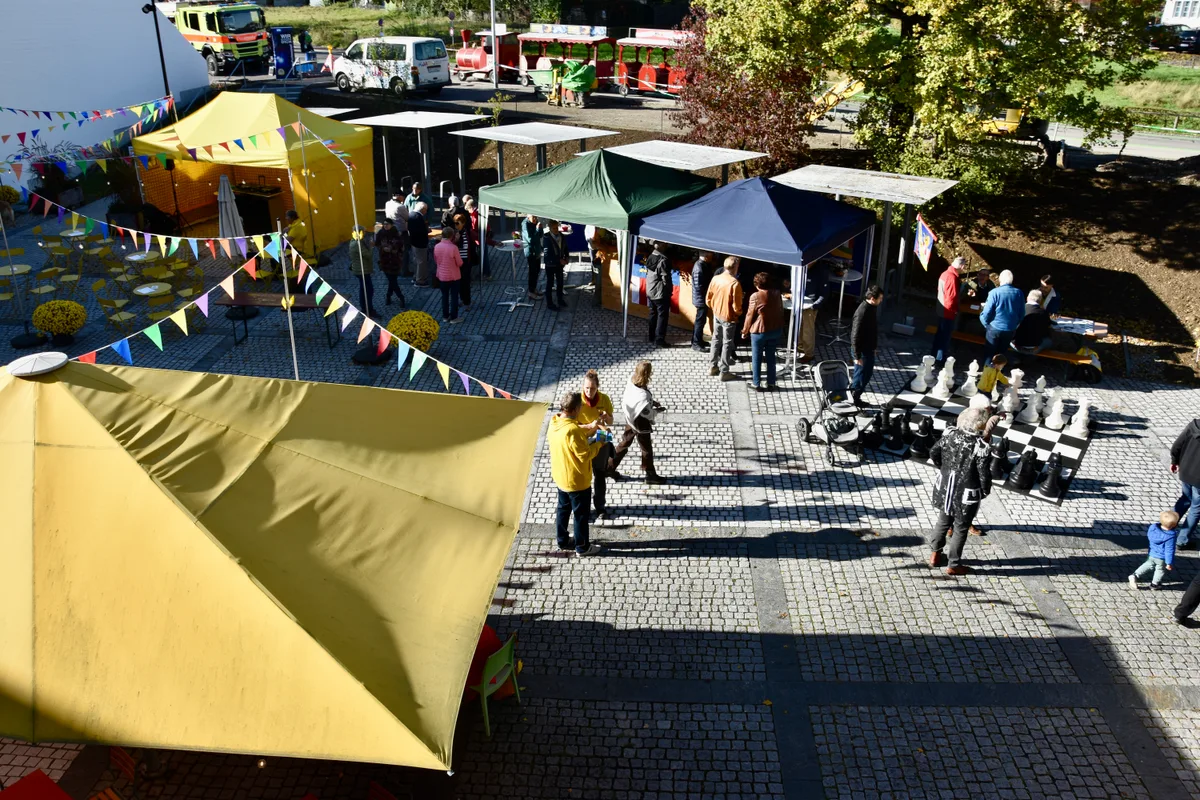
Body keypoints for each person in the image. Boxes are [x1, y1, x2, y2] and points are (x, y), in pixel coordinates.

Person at [927, 406, 993, 576]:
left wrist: (943, 468)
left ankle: (935, 554)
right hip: (967, 493)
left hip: (946, 487)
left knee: (942, 521)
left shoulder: (950, 435)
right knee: (961, 528)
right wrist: (985, 490)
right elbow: (983, 473)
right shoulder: (980, 446)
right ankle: (954, 564)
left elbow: (933, 452)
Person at [548, 391, 604, 557]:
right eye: (580, 406)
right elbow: (585, 454)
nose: (581, 408)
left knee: (563, 510)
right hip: (576, 480)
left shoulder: (555, 421)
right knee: (580, 515)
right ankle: (582, 547)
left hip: (560, 477)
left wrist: (587, 428)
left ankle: (563, 540)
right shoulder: (573, 432)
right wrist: (599, 443)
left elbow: (571, 429)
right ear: (574, 409)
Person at [613, 360, 665, 485]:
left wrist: (652, 402)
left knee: (624, 443)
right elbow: (648, 413)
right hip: (640, 423)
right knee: (646, 448)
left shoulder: (632, 380)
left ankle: (609, 467)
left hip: (630, 418)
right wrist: (656, 410)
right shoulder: (643, 397)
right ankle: (650, 473)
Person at [577, 369, 616, 521]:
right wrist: (588, 426)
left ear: (597, 387)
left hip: (600, 440)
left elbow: (611, 421)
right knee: (584, 476)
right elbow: (570, 425)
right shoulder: (577, 401)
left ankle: (600, 507)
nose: (589, 391)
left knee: (599, 474)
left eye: (592, 388)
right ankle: (584, 508)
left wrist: (608, 417)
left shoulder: (604, 399)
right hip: (583, 442)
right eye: (586, 388)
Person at [742, 271, 785, 391]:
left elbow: (749, 315)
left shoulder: (755, 296)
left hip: (759, 331)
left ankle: (757, 383)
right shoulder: (777, 293)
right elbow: (780, 310)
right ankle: (771, 383)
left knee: (757, 358)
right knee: (771, 357)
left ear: (757, 284)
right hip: (775, 329)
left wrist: (745, 331)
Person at [706, 256, 743, 382]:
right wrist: (738, 313)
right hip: (728, 316)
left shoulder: (716, 278)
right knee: (727, 343)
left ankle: (712, 366)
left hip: (717, 313)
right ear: (735, 267)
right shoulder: (734, 283)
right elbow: (737, 306)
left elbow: (708, 298)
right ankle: (724, 371)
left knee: (716, 339)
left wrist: (715, 308)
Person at [850, 285, 884, 405]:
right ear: (873, 299)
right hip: (862, 351)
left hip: (868, 349)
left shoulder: (871, 308)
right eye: (880, 298)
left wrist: (873, 347)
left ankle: (855, 397)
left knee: (866, 375)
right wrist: (857, 355)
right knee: (860, 377)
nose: (881, 301)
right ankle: (853, 400)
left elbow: (872, 330)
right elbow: (855, 334)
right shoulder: (862, 312)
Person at [1128, 511, 1179, 591]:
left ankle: (1135, 575)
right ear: (1174, 525)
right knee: (1160, 570)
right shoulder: (1170, 536)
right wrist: (1169, 562)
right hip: (1161, 557)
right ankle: (1154, 584)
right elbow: (1169, 550)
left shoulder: (1153, 528)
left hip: (1152, 553)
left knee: (1148, 564)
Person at [979, 269, 1025, 358]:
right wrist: (1015, 325)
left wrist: (985, 323)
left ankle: (987, 369)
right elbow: (1022, 313)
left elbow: (987, 312)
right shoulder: (1019, 293)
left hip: (994, 327)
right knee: (1002, 355)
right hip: (1010, 328)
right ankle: (999, 370)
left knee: (989, 353)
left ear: (1000, 280)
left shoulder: (994, 292)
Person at [1171, 417, 1200, 548]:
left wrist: (1174, 460)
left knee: (1185, 499)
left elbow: (1177, 444)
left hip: (1186, 470)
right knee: (1196, 507)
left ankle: (1166, 526)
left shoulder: (1194, 425)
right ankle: (1182, 540)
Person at [930, 256, 963, 364]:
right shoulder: (952, 277)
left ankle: (933, 356)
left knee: (940, 334)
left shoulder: (945, 273)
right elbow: (951, 297)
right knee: (944, 337)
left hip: (941, 309)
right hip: (947, 311)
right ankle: (940, 360)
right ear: (961, 266)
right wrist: (954, 310)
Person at [433, 228, 463, 324]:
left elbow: (436, 260)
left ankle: (445, 316)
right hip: (454, 276)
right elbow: (459, 263)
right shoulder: (453, 248)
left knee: (444, 296)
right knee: (454, 297)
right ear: (451, 236)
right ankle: (454, 318)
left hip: (442, 276)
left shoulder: (437, 246)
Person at [645, 241, 672, 347]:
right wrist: (669, 291)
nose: (666, 245)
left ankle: (651, 336)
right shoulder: (663, 260)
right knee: (662, 316)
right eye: (664, 243)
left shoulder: (651, 256)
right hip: (660, 292)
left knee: (653, 313)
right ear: (660, 246)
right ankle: (660, 339)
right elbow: (666, 279)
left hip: (650, 290)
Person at [374, 217, 406, 308]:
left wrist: (391, 249)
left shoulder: (396, 234)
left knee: (392, 280)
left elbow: (401, 247)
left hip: (395, 261)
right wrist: (383, 248)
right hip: (385, 261)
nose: (385, 226)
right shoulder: (381, 233)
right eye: (384, 224)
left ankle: (389, 296)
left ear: (391, 225)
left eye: (387, 224)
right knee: (392, 281)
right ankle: (400, 297)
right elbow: (377, 244)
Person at [1012, 288, 1053, 354]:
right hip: (1033, 347)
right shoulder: (1043, 313)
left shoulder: (1018, 309)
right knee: (1049, 341)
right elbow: (1046, 329)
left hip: (1016, 344)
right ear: (1040, 301)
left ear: (1027, 298)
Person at [346, 225, 375, 313]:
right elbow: (368, 255)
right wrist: (371, 247)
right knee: (368, 290)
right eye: (364, 232)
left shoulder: (356, 241)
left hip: (361, 269)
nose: (365, 234)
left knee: (365, 289)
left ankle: (365, 307)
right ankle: (367, 308)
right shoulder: (357, 244)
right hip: (362, 270)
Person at [689, 251, 715, 351]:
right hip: (701, 299)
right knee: (700, 321)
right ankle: (696, 344)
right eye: (711, 256)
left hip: (701, 298)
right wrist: (707, 296)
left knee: (701, 321)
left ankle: (697, 340)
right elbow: (699, 286)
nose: (712, 258)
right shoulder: (699, 268)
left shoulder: (703, 265)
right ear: (707, 257)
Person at [542, 220, 567, 311]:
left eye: (557, 228)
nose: (556, 230)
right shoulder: (546, 238)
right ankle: (550, 303)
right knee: (550, 283)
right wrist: (559, 260)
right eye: (554, 228)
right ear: (550, 228)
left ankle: (560, 299)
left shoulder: (561, 236)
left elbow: (565, 247)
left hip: (559, 265)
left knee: (560, 282)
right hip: (550, 265)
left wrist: (566, 257)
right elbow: (547, 254)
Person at [453, 210, 474, 311]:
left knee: (466, 282)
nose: (456, 225)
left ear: (463, 223)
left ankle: (467, 302)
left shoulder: (468, 232)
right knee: (459, 282)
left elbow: (479, 238)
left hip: (466, 261)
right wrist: (455, 240)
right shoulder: (454, 234)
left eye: (458, 223)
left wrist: (494, 243)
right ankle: (462, 299)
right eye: (455, 223)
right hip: (457, 262)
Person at [521, 213, 543, 302]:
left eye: (536, 217)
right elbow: (530, 239)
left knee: (537, 270)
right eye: (533, 217)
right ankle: (531, 292)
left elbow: (540, 236)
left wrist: (540, 228)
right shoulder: (525, 225)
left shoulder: (535, 221)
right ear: (528, 216)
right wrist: (537, 229)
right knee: (532, 272)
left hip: (537, 250)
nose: (535, 219)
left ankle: (534, 289)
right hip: (531, 252)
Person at [408, 202, 430, 286]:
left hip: (413, 241)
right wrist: (426, 230)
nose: (426, 212)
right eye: (426, 210)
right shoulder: (418, 217)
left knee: (416, 260)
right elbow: (421, 231)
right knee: (421, 262)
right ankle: (420, 280)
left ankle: (415, 276)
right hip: (420, 243)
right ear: (423, 209)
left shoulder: (411, 214)